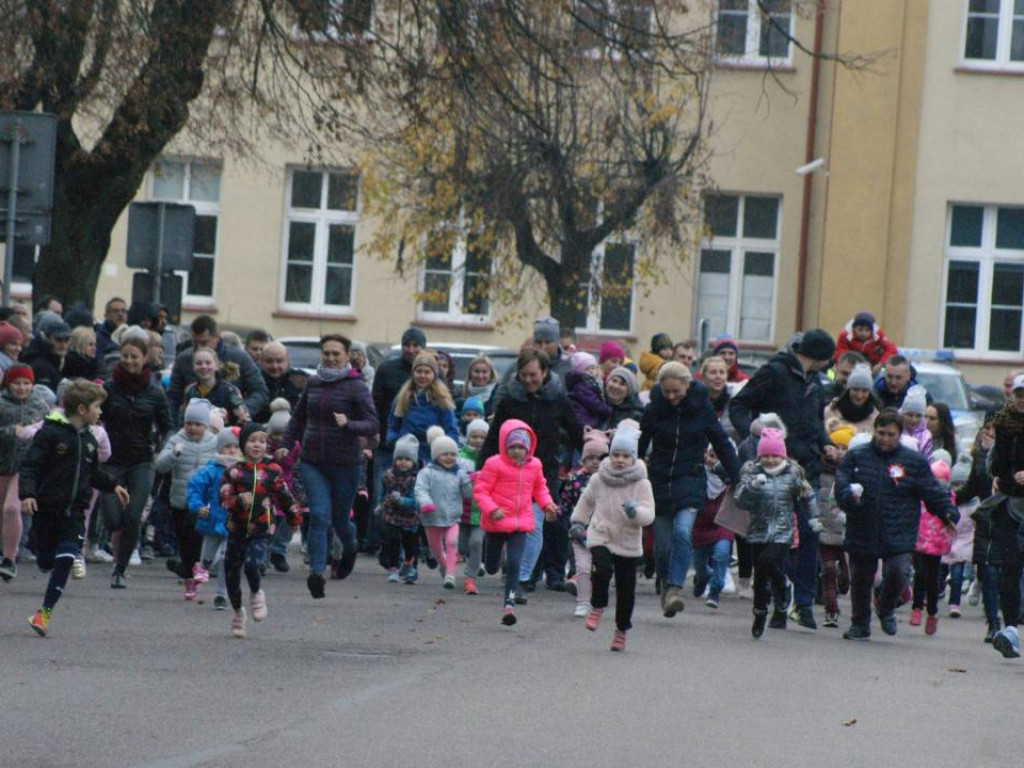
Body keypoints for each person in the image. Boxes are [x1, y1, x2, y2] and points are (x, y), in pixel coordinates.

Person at [728, 328, 837, 630]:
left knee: (810, 533)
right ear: (818, 355)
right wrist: (755, 430)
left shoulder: (815, 382)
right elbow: (739, 405)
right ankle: (780, 591)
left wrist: (826, 442)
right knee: (773, 537)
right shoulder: (775, 372)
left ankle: (802, 604)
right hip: (774, 466)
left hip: (807, 467)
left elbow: (815, 421)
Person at [835, 409, 959, 641]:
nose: (885, 439)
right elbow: (841, 481)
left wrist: (948, 513)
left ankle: (886, 607)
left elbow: (932, 491)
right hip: (863, 526)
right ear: (875, 431)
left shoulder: (913, 462)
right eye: (881, 433)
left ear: (899, 434)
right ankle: (860, 624)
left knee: (899, 571)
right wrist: (848, 496)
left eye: (891, 434)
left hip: (899, 528)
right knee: (861, 578)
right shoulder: (856, 457)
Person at [21, 380, 129, 637]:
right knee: (46, 558)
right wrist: (27, 494)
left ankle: (43, 613)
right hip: (47, 508)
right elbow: (30, 467)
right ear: (82, 409)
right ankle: (45, 557)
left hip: (75, 512)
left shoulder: (90, 440)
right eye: (97, 407)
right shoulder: (50, 434)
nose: (100, 412)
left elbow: (92, 474)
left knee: (67, 557)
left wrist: (114, 485)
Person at [639, 362, 741, 618]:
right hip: (660, 480)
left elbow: (721, 441)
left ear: (687, 385)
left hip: (690, 478)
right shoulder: (654, 410)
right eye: (667, 392)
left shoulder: (702, 408)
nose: (671, 396)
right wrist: (631, 467)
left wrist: (736, 476)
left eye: (676, 391)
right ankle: (665, 582)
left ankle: (675, 589)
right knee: (661, 547)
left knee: (683, 533)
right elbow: (640, 443)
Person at [479, 349, 583, 596]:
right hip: (508, 475)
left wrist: (591, 457)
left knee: (535, 526)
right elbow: (495, 437)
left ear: (545, 373)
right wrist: (481, 468)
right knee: (504, 526)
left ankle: (523, 579)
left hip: (542, 473)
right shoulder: (510, 400)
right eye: (523, 375)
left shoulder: (557, 399)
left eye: (533, 375)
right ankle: (498, 559)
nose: (528, 380)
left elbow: (577, 431)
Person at [285, 334, 379, 599]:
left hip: (346, 463)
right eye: (326, 353)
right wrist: (286, 443)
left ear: (347, 356)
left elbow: (372, 424)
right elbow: (297, 418)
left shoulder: (356, 386)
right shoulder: (313, 383)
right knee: (319, 515)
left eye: (336, 353)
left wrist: (348, 425)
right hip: (313, 461)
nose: (330, 358)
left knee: (340, 521)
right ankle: (316, 573)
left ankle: (350, 548)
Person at [570, 421, 654, 652]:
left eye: (625, 456)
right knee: (602, 569)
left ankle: (621, 630)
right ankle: (597, 605)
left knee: (626, 591)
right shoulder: (599, 478)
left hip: (627, 540)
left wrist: (635, 512)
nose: (619, 460)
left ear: (633, 458)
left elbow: (649, 515)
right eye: (615, 454)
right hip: (602, 533)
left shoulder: (641, 483)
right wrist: (577, 522)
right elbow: (586, 501)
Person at [735, 428, 820, 638]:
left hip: (782, 531)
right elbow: (740, 500)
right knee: (761, 574)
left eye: (774, 455)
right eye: (765, 455)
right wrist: (753, 487)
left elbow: (807, 495)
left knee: (767, 561)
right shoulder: (751, 471)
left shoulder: (793, 473)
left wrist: (814, 518)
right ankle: (760, 612)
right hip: (757, 531)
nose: (770, 460)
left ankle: (783, 586)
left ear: (782, 455)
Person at [218, 422, 302, 638]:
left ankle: (256, 593)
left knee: (253, 564)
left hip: (262, 527)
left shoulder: (273, 471)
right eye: (253, 441)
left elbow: (285, 496)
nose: (257, 445)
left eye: (262, 441)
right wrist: (238, 501)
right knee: (231, 572)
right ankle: (237, 612)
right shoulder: (233, 472)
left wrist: (294, 516)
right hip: (237, 528)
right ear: (243, 444)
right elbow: (224, 500)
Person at [102, 336, 172, 588]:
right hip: (111, 460)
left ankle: (119, 570)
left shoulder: (154, 391)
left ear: (144, 359)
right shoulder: (109, 388)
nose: (130, 361)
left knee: (133, 516)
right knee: (113, 519)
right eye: (126, 356)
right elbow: (94, 418)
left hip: (142, 461)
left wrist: (161, 450)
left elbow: (168, 427)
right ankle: (113, 542)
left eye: (135, 356)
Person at [475, 420, 558, 626]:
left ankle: (509, 605)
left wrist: (547, 505)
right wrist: (492, 509)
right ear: (504, 446)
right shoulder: (494, 464)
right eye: (512, 447)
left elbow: (540, 488)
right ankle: (493, 560)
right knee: (492, 567)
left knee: (514, 563)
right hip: (497, 521)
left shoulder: (535, 465)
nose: (517, 451)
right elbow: (481, 491)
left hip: (520, 522)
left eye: (521, 447)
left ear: (529, 448)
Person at [154, 398, 218, 600]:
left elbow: (225, 461)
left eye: (198, 424)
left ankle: (198, 567)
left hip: (204, 502)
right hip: (181, 501)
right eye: (189, 423)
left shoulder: (213, 442)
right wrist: (173, 455)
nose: (192, 428)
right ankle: (189, 578)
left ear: (206, 425)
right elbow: (160, 466)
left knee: (198, 536)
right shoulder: (176, 440)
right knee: (185, 542)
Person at [167, 316, 269, 428]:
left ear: (217, 337)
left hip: (230, 428)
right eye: (195, 343)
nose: (199, 347)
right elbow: (173, 398)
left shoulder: (239, 357)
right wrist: (172, 428)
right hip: (194, 428)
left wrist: (241, 409)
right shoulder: (184, 359)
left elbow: (260, 392)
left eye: (204, 342)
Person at [0, 365, 51, 580]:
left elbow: (50, 432)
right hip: (2, 465)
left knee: (12, 509)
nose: (22, 388)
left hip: (26, 467)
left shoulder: (40, 406)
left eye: (26, 383)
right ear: (8, 384)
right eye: (17, 383)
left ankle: (10, 558)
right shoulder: (1, 405)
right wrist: (11, 431)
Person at [986, 373, 1024, 658]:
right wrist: (996, 475)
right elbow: (993, 462)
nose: (1023, 400)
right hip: (1010, 503)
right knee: (1007, 567)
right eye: (1020, 394)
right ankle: (1010, 630)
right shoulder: (1002, 422)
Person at [187, 427, 240, 610]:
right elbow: (195, 487)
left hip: (233, 523)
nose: (232, 451)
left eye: (236, 447)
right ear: (219, 449)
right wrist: (197, 505)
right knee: (207, 560)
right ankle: (197, 575)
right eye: (227, 447)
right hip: (212, 521)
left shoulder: (244, 470)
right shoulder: (211, 469)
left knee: (226, 559)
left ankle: (221, 595)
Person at [415, 427, 473, 590]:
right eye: (445, 454)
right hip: (431, 516)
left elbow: (468, 494)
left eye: (453, 454)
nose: (449, 457)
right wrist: (425, 502)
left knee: (452, 542)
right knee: (435, 548)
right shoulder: (427, 472)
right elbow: (420, 489)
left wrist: (471, 482)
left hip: (453, 516)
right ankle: (443, 564)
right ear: (435, 455)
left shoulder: (459, 473)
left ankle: (450, 574)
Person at [562, 428, 609, 617]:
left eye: (599, 459)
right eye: (590, 459)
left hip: (603, 532)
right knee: (582, 565)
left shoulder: (610, 480)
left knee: (598, 568)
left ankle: (596, 599)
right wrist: (564, 518)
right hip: (579, 529)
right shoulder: (574, 479)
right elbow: (565, 502)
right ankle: (582, 602)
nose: (595, 463)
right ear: (583, 460)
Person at [908, 455, 955, 635]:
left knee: (933, 580)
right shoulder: (921, 495)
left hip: (936, 544)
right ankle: (917, 608)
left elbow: (951, 517)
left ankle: (932, 613)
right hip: (920, 540)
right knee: (920, 575)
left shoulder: (949, 498)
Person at [386, 353, 459, 466]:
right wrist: (395, 442)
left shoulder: (442, 399)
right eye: (419, 371)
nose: (422, 376)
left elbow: (451, 430)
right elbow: (392, 426)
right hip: (406, 459)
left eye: (427, 372)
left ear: (434, 374)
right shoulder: (402, 398)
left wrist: (443, 448)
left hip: (433, 458)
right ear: (413, 373)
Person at [818, 426, 855, 628]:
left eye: (845, 447)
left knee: (846, 572)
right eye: (836, 446)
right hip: (824, 530)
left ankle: (844, 584)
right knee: (828, 571)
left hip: (847, 532)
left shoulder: (853, 475)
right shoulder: (820, 472)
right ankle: (830, 611)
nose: (839, 451)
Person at [691, 446, 735, 610]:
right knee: (701, 567)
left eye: (715, 456)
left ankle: (715, 590)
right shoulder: (698, 475)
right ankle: (702, 580)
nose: (710, 460)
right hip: (700, 527)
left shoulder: (729, 478)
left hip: (722, 525)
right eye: (708, 455)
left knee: (721, 555)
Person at [377, 434, 422, 585]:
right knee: (392, 542)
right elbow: (383, 493)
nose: (403, 463)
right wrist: (379, 504)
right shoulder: (388, 476)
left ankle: (410, 566)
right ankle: (394, 568)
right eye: (400, 459)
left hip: (410, 517)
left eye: (407, 459)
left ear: (413, 461)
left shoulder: (417, 479)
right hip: (392, 515)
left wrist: (403, 500)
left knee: (410, 544)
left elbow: (416, 501)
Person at [458, 419, 489, 595]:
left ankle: (470, 578)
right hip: (463, 510)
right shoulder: (460, 458)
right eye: (474, 436)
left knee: (476, 542)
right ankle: (450, 567)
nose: (478, 440)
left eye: (482, 437)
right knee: (460, 544)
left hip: (482, 510)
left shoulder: (492, 458)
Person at [943, 454, 976, 620]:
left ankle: (954, 603)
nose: (958, 489)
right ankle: (935, 594)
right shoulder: (946, 502)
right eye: (955, 484)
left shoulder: (973, 505)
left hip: (963, 544)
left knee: (957, 576)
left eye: (962, 484)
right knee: (938, 575)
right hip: (945, 544)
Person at [181, 347, 248, 426]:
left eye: (208, 363)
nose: (204, 366)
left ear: (216, 366)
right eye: (199, 363)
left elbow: (244, 420)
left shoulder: (230, 391)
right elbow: (183, 420)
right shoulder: (190, 391)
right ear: (193, 367)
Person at [251, 341, 303, 424]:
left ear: (287, 361)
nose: (274, 366)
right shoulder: (252, 382)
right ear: (260, 362)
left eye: (279, 361)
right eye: (269, 361)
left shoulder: (300, 381)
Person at [21, 312, 70, 394]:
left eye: (66, 340)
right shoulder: (40, 365)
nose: (63, 345)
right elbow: (46, 397)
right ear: (45, 338)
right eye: (58, 340)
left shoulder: (55, 361)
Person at [834, 311, 898, 373]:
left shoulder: (878, 335)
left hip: (874, 367)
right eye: (860, 329)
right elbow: (840, 353)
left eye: (867, 330)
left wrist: (881, 364)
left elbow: (891, 349)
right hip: (851, 366)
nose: (863, 333)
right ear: (853, 328)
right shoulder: (845, 335)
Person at [823, 364, 879, 434]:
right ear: (848, 390)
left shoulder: (876, 418)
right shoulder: (831, 411)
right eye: (855, 390)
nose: (859, 395)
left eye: (864, 391)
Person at [565, 351, 612, 429]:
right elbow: (593, 402)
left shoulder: (592, 381)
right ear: (579, 371)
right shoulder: (582, 385)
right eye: (587, 369)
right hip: (586, 420)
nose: (591, 371)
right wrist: (608, 410)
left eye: (593, 368)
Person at [900, 386, 932, 456]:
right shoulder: (897, 431)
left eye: (919, 416)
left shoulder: (926, 436)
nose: (914, 420)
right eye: (909, 415)